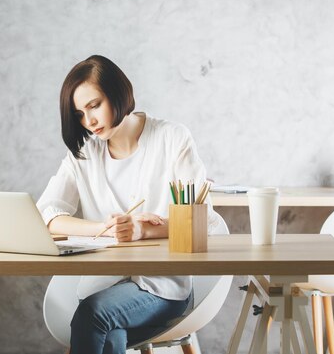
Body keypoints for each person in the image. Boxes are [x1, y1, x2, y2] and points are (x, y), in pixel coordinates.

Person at [37, 55, 221, 354]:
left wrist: (142, 231)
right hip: (103, 285)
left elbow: (204, 220)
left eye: (94, 105)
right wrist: (105, 229)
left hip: (163, 287)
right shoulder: (84, 153)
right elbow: (48, 214)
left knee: (95, 316)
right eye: (80, 113)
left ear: (118, 92)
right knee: (108, 332)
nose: (89, 121)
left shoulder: (171, 138)